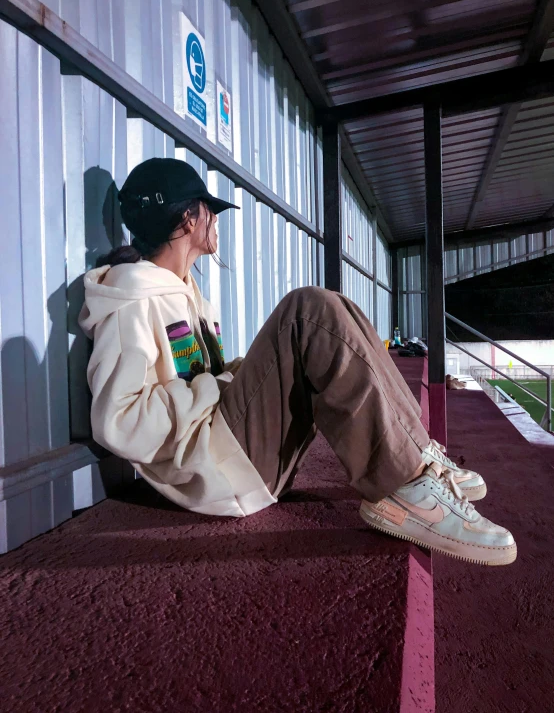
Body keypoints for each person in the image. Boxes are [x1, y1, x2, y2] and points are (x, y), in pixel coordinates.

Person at [80, 158, 516, 566]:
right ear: (188, 219)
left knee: (336, 310)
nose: (216, 222)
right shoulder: (130, 298)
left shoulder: (186, 293)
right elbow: (117, 418)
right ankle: (405, 490)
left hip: (234, 455)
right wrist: (217, 387)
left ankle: (419, 460)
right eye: (209, 211)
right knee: (307, 310)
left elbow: (201, 380)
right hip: (214, 473)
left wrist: (228, 378)